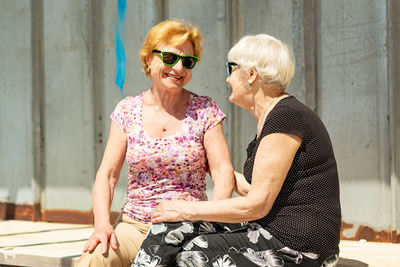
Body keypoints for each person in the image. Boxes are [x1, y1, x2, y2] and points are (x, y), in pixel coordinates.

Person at [133, 34, 341, 267]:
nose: (228, 79)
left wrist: (184, 208)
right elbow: (266, 189)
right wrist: (218, 169)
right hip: (273, 230)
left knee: (189, 252)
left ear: (251, 75)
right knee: (173, 231)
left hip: (297, 244)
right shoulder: (275, 116)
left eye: (231, 69)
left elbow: (257, 204)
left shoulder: (286, 117)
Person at [75, 19, 234, 267]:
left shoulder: (205, 110)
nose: (179, 68)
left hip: (188, 230)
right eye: (170, 58)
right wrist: (102, 224)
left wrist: (211, 221)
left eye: (188, 62)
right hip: (136, 228)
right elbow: (106, 175)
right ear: (148, 58)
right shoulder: (127, 110)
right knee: (93, 260)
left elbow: (223, 171)